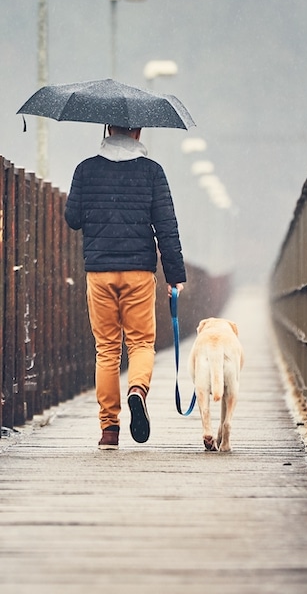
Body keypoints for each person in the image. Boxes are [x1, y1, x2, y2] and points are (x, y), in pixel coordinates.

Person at [64, 124, 186, 450]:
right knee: (141, 344)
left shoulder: (85, 169)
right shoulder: (152, 172)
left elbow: (72, 217)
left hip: (99, 271)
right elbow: (166, 226)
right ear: (138, 132)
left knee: (106, 349)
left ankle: (109, 429)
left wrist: (97, 200)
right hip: (138, 272)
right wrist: (175, 274)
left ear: (107, 129)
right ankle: (136, 391)